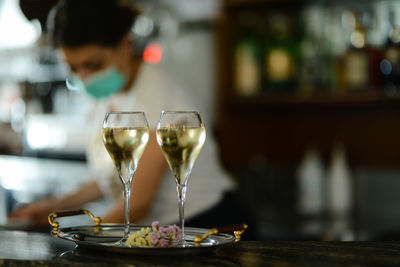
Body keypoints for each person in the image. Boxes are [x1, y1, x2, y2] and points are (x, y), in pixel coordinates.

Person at [9, 0, 247, 231]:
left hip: (204, 225)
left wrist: (85, 235)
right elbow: (115, 178)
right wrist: (54, 208)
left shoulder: (157, 94)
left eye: (93, 64)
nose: (83, 77)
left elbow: (139, 202)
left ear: (124, 45)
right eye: (73, 67)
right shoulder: (107, 95)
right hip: (159, 231)